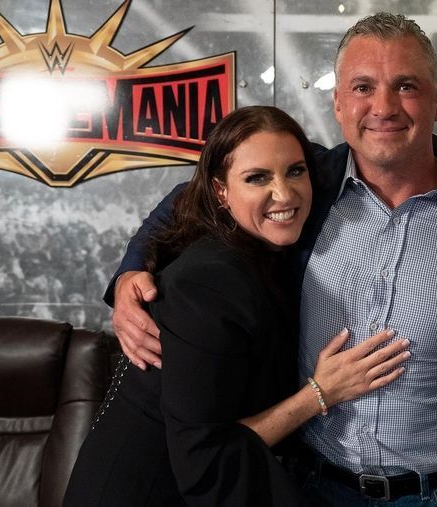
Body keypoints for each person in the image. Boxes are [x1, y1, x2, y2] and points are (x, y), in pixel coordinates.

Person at [103, 13, 437, 507]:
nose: (383, 107)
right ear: (339, 104)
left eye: (405, 85)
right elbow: (189, 196)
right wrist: (131, 271)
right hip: (307, 485)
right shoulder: (302, 185)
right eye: (363, 86)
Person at [64, 106, 410, 506]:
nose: (283, 192)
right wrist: (321, 392)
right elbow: (206, 454)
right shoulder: (209, 281)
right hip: (149, 490)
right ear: (220, 192)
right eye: (257, 178)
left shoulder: (307, 182)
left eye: (295, 172)